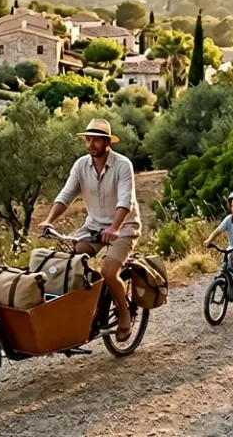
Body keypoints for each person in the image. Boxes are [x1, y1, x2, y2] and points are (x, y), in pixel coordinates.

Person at [38, 118, 140, 342]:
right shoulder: (81, 165)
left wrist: (115, 228)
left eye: (95, 140)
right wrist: (49, 220)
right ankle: (86, 307)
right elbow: (66, 195)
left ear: (107, 142)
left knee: (109, 271)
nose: (90, 144)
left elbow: (126, 201)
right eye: (88, 139)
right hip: (94, 226)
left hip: (123, 227)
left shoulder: (123, 165)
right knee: (69, 262)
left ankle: (124, 313)